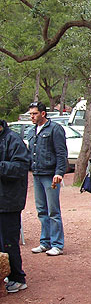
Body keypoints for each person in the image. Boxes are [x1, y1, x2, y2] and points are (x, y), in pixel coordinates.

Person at [26, 101, 68, 256]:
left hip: (50, 175)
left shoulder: (55, 129)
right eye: (30, 114)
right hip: (37, 174)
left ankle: (57, 244)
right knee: (41, 210)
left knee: (53, 211)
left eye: (35, 113)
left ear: (43, 114)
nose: (32, 116)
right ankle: (45, 242)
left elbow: (61, 152)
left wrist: (59, 172)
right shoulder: (31, 131)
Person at [0, 118, 30, 293]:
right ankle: (5, 274)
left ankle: (17, 278)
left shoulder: (13, 140)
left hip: (9, 202)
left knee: (9, 242)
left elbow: (20, 167)